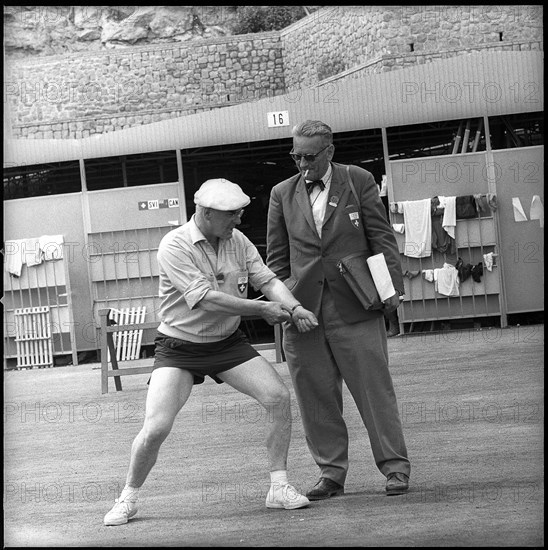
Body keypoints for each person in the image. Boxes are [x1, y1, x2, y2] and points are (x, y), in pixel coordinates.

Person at [104, 178, 318, 526]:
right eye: (232, 215)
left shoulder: (238, 240)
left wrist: (294, 309)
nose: (238, 221)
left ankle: (278, 488)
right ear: (205, 213)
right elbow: (206, 298)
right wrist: (261, 310)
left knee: (278, 397)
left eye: (239, 214)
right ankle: (127, 498)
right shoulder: (173, 245)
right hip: (179, 348)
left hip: (228, 344)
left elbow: (268, 281)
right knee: (156, 427)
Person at [266, 120, 411, 500]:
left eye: (310, 157)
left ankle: (395, 468)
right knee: (315, 398)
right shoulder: (281, 193)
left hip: (357, 304)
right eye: (295, 155)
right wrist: (287, 306)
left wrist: (390, 290)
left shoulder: (358, 179)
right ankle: (331, 474)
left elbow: (381, 237)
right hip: (303, 313)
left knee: (375, 391)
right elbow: (276, 262)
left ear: (329, 152)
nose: (302, 164)